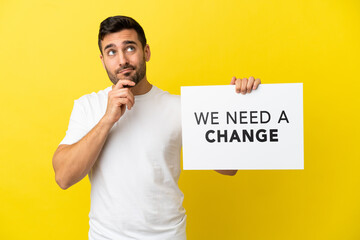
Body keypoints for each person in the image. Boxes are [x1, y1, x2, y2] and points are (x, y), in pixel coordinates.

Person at [52, 15, 261, 240]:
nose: (122, 60)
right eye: (112, 52)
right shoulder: (88, 106)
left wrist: (232, 109)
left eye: (130, 48)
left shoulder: (179, 106)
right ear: (103, 60)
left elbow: (228, 168)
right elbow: (64, 177)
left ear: (146, 52)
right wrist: (107, 119)